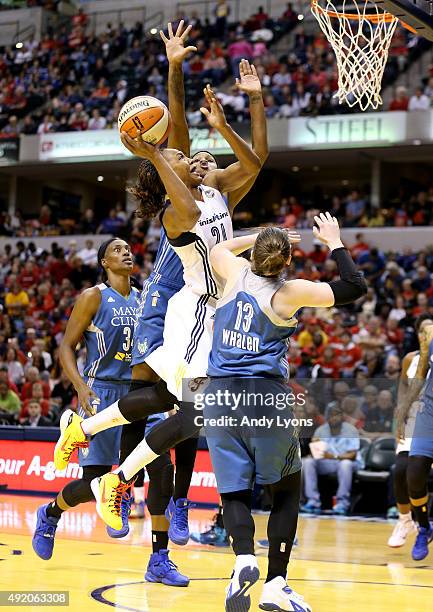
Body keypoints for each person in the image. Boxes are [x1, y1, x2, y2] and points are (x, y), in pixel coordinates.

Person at [53, 75, 263, 538]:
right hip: (172, 304)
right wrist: (157, 139)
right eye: (179, 156)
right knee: (176, 404)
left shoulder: (212, 193)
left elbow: (251, 160)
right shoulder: (178, 204)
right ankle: (125, 485)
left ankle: (96, 445)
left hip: (206, 307)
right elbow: (177, 134)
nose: (189, 156)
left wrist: (243, 105)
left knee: (174, 404)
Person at [202, 213, 365, 609]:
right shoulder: (289, 292)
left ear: (254, 254)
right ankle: (275, 582)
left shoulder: (234, 272)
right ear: (287, 262)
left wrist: (257, 235)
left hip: (220, 394)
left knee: (234, 490)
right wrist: (334, 241)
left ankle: (242, 557)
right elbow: (353, 287)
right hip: (264, 394)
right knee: (287, 489)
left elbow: (218, 248)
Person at [32, 239, 144, 557]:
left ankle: (120, 499)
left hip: (137, 391)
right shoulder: (93, 297)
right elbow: (66, 346)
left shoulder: (143, 297)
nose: (126, 252)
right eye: (116, 249)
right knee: (91, 480)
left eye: (127, 248)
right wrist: (80, 386)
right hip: (101, 391)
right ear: (104, 262)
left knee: (141, 462)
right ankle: (50, 514)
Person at [387, 316, 433, 548]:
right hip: (416, 418)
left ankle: (422, 522)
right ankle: (406, 521)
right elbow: (405, 389)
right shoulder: (410, 359)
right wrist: (400, 416)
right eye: (423, 331)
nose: (427, 335)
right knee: (402, 471)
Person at [400, 320, 433, 560]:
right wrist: (405, 405)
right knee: (414, 472)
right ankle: (423, 526)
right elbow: (420, 375)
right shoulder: (430, 342)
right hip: (428, 413)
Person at [302, 405, 360, 516]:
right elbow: (316, 453)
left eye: (336, 415)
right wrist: (314, 448)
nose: (333, 418)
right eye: (330, 415)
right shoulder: (320, 430)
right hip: (328, 462)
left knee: (345, 464)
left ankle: (342, 503)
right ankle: (313, 501)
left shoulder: (350, 430)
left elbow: (352, 455)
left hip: (347, 462)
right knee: (307, 462)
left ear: (342, 416)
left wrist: (333, 456)